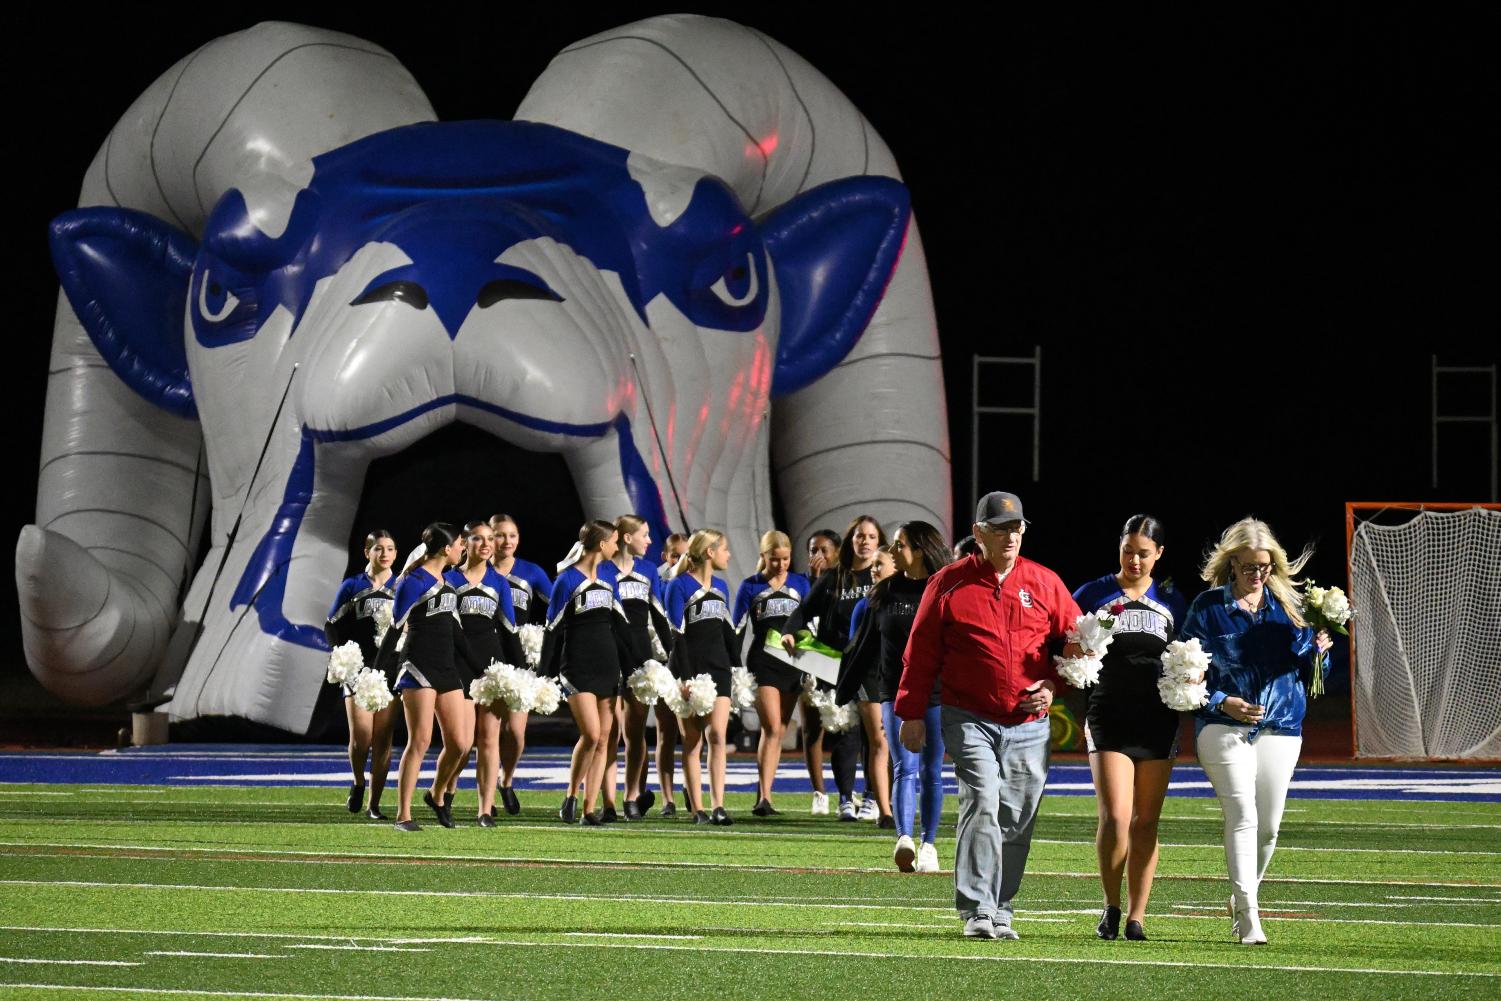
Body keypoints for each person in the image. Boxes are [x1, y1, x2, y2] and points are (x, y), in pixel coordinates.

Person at [897, 491, 1083, 940]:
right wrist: (911, 711)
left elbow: (1077, 643)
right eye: (1000, 528)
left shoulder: (1045, 582)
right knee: (981, 802)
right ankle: (977, 909)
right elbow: (920, 653)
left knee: (1017, 817)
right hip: (969, 715)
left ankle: (1002, 907)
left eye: (1017, 527)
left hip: (1028, 722)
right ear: (979, 533)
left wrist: (1054, 684)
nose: (1011, 536)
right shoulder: (947, 583)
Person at [1179, 517, 1331, 946]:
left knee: (1269, 827)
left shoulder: (1290, 608)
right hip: (1223, 725)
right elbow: (1182, 670)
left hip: (1281, 725)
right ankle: (1249, 916)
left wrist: (1319, 651)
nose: (1257, 573)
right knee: (1242, 815)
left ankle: (1241, 894)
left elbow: (1311, 673)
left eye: (1264, 566)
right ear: (1232, 564)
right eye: (1249, 566)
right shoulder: (1207, 608)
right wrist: (1220, 701)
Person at [1071, 514, 1187, 941]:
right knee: (1116, 817)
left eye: (1143, 553)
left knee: (1146, 822)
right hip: (1107, 715)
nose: (1134, 560)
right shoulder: (1092, 593)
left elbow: (1188, 657)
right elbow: (1068, 650)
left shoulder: (1173, 600)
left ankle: (1138, 915)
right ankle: (1111, 906)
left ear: (1158, 554)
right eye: (1127, 551)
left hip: (1157, 720)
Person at [842, 522, 952, 872]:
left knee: (933, 770)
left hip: (936, 693)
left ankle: (930, 844)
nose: (892, 551)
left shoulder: (944, 589)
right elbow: (864, 645)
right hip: (894, 691)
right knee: (905, 766)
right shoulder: (884, 591)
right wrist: (844, 688)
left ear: (919, 550)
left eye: (899, 544)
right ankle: (904, 837)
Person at [378, 523, 480, 832]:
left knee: (461, 743)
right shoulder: (413, 581)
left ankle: (436, 794)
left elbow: (455, 631)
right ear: (447, 549)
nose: (464, 549)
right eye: (461, 544)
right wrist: (377, 668)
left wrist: (482, 667)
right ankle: (403, 815)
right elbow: (395, 628)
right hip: (418, 665)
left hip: (446, 667)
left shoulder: (448, 582)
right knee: (419, 741)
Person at [784, 517, 887, 821]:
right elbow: (803, 610)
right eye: (859, 536)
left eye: (871, 536)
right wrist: (791, 631)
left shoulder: (883, 577)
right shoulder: (834, 577)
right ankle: (845, 797)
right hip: (835, 664)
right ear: (850, 540)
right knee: (845, 730)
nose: (865, 541)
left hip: (872, 665)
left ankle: (871, 796)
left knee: (875, 735)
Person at [540, 520, 642, 826]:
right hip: (576, 666)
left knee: (604, 739)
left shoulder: (609, 577)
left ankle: (588, 808)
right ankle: (570, 795)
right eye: (613, 542)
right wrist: (544, 674)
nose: (616, 547)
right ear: (601, 544)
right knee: (592, 733)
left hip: (607, 665)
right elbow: (552, 630)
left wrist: (639, 665)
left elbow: (622, 626)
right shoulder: (567, 580)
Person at [445, 520, 526, 827]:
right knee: (462, 743)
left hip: (493, 667)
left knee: (489, 740)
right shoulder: (449, 579)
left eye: (489, 539)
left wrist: (521, 673)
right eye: (478, 539)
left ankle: (485, 809)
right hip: (459, 665)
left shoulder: (499, 582)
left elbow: (509, 630)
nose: (486, 545)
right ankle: (446, 794)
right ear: (464, 544)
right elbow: (446, 628)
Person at [732, 530, 812, 817]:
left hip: (793, 662)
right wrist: (734, 666)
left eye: (785, 559)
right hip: (762, 662)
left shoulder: (802, 583)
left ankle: (765, 793)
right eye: (774, 560)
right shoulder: (750, 586)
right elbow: (738, 628)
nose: (780, 565)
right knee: (770, 726)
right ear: (763, 557)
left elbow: (810, 623)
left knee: (779, 730)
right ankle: (763, 798)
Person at [664, 528, 741, 825]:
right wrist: (684, 677)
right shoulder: (678, 585)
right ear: (710, 552)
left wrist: (737, 665)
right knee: (693, 740)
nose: (728, 554)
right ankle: (698, 809)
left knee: (718, 735)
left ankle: (719, 805)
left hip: (719, 666)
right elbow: (677, 635)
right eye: (724, 549)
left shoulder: (722, 586)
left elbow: (726, 629)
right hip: (689, 668)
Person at [601, 514, 672, 821]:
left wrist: (672, 656)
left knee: (634, 732)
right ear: (627, 538)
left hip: (640, 656)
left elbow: (659, 616)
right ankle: (605, 801)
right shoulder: (602, 568)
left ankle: (631, 795)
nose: (650, 540)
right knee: (607, 733)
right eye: (644, 534)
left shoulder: (647, 571)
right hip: (607, 653)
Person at [325, 530, 398, 819]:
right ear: (367, 552)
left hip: (389, 668)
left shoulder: (401, 584)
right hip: (358, 668)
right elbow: (331, 623)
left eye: (390, 548)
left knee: (384, 737)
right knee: (362, 737)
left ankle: (374, 804)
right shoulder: (353, 585)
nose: (385, 554)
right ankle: (358, 781)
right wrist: (340, 654)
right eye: (379, 549)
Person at [488, 513, 552, 812]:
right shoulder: (478, 570)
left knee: (515, 731)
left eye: (512, 535)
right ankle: (477, 792)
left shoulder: (531, 571)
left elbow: (557, 605)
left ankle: (507, 779)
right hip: (485, 653)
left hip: (518, 657)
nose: (507, 541)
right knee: (485, 731)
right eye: (500, 535)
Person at [798, 528, 842, 815]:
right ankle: (819, 793)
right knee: (813, 728)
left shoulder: (843, 581)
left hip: (839, 658)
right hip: (812, 657)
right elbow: (802, 614)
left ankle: (853, 793)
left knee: (847, 728)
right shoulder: (801, 583)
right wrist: (813, 581)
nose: (818, 556)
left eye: (824, 549)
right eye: (813, 550)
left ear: (837, 552)